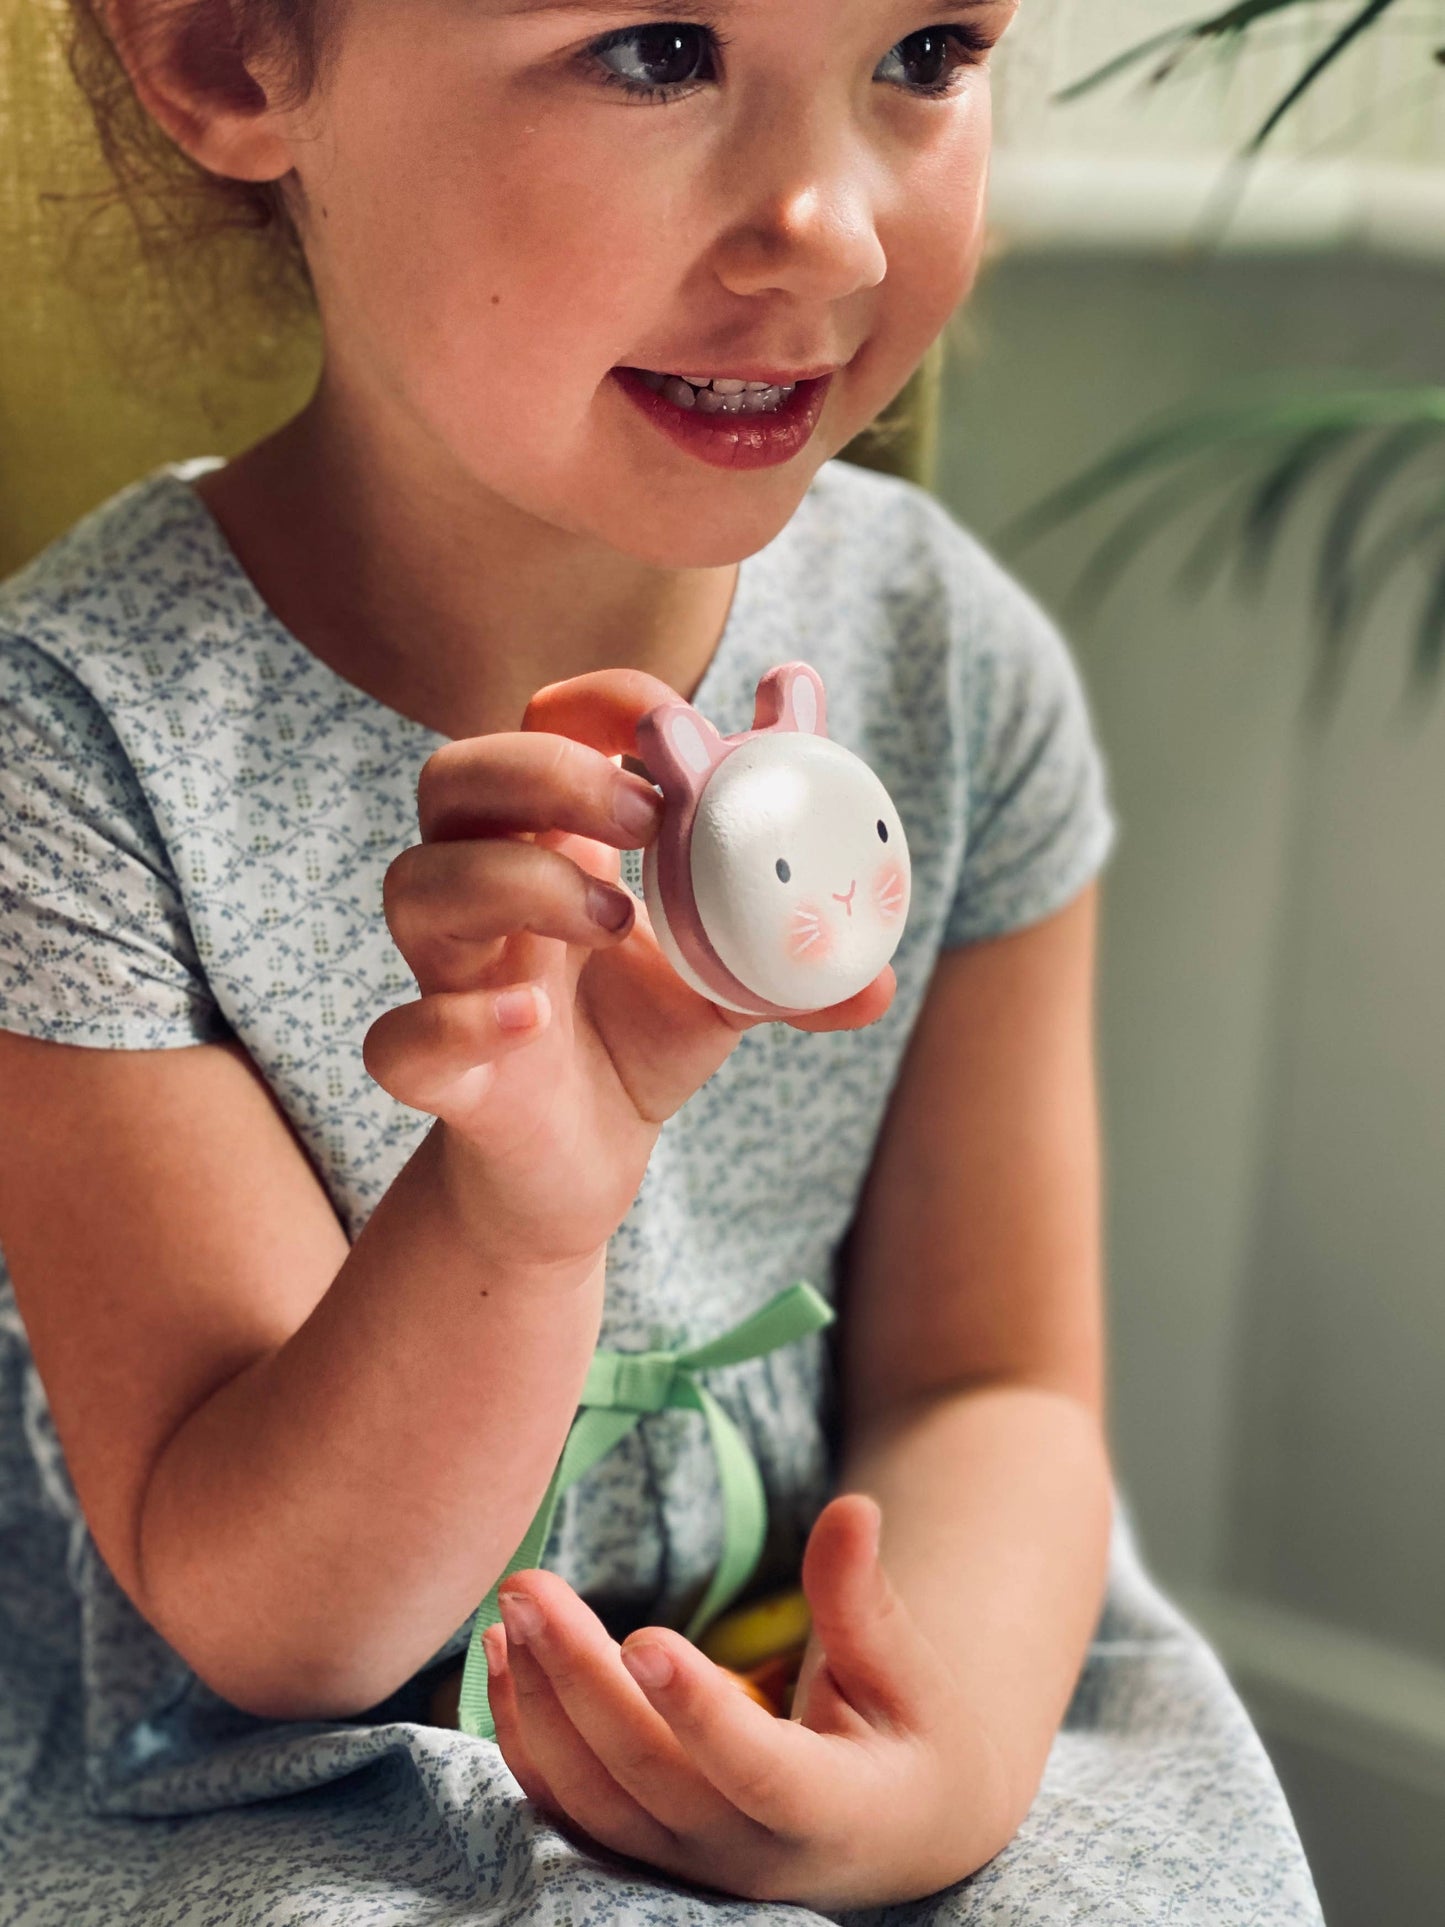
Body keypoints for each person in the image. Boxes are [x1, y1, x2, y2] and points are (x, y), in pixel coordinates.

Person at [0, 1, 1325, 1920]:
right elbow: (288, 1630)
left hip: (852, 1643)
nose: (830, 231)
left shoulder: (952, 668)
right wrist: (523, 1208)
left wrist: (927, 1761)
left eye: (926, 52)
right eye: (656, 51)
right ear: (226, 53)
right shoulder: (77, 750)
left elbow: (992, 1385)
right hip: (287, 1773)